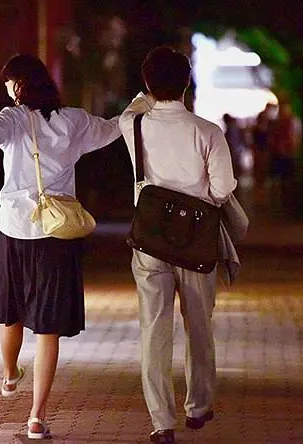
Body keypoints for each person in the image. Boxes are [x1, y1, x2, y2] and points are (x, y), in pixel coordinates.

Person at [0, 54, 121, 440]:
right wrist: (140, 108)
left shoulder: (14, 117)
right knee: (48, 329)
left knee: (11, 314)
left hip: (12, 228)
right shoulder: (74, 120)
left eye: (9, 82)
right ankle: (36, 418)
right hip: (56, 233)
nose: (7, 88)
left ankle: (10, 373)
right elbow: (113, 129)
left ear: (19, 85)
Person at [119, 47, 237, 444]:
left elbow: (135, 105)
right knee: (198, 324)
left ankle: (161, 422)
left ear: (148, 83)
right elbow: (222, 189)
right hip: (197, 242)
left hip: (150, 241)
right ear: (188, 83)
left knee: (154, 330)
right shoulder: (208, 132)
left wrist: (147, 94)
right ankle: (198, 405)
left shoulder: (133, 124)